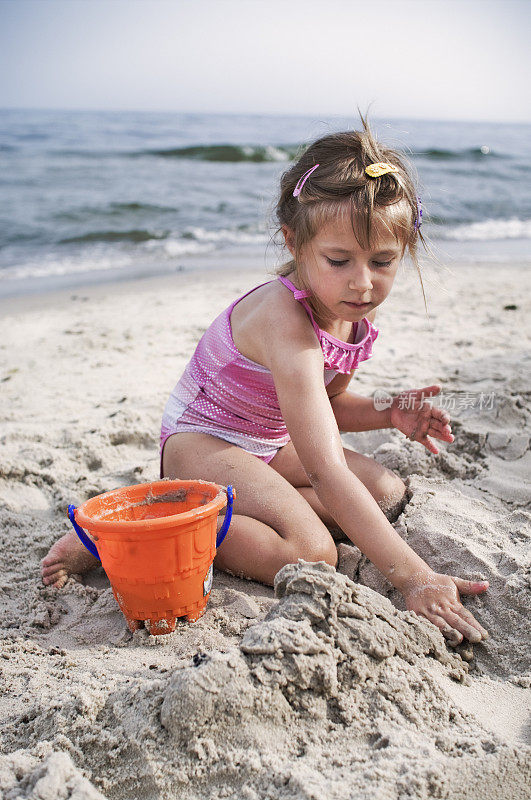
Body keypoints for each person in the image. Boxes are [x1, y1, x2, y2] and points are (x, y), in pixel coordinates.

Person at [42, 116, 488, 646]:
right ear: (294, 241)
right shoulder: (284, 319)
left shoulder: (349, 311)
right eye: (339, 259)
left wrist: (388, 411)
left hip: (263, 443)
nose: (362, 282)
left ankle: (220, 506)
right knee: (313, 550)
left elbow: (327, 404)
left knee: (386, 492)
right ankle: (138, 528)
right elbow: (324, 469)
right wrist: (416, 578)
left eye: (383, 261)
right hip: (204, 443)